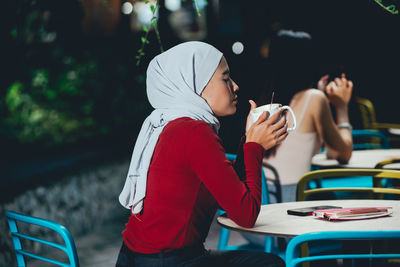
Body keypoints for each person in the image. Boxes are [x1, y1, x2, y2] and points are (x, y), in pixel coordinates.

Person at [116, 41, 287, 267]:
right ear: (196, 85)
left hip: (134, 258)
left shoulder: (171, 125)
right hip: (168, 261)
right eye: (225, 79)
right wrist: (255, 147)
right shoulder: (194, 132)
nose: (235, 86)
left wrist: (250, 139)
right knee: (269, 264)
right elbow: (246, 215)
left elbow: (228, 194)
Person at [263, 29, 354, 203]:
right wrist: (341, 107)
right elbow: (342, 154)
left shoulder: (263, 104)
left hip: (260, 205)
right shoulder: (314, 99)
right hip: (288, 205)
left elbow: (307, 150)